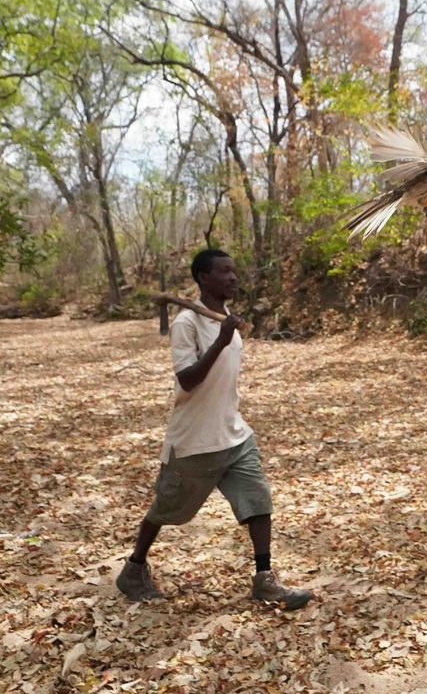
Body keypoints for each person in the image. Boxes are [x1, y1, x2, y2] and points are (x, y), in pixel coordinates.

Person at [116, 249, 312, 611]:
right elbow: (187, 380)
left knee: (258, 500)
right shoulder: (186, 323)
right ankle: (134, 568)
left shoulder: (226, 319)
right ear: (204, 279)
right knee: (166, 509)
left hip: (234, 434)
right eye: (225, 271)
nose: (234, 277)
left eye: (234, 270)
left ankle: (264, 579)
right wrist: (220, 340)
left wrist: (225, 333)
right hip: (194, 442)